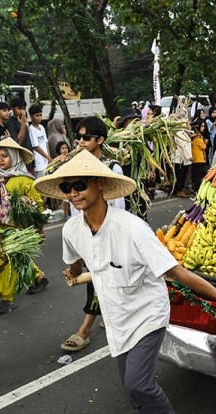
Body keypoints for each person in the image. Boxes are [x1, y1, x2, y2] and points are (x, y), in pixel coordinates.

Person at [33, 150, 216, 414]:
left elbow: (177, 272)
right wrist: (76, 270)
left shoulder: (132, 229)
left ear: (100, 186)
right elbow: (77, 255)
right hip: (116, 316)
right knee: (131, 389)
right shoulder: (71, 229)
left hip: (147, 314)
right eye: (67, 188)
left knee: (138, 383)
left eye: (79, 184)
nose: (73, 193)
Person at [59, 116, 126, 352]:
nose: (81, 141)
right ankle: (110, 314)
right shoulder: (74, 166)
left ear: (100, 139)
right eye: (78, 137)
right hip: (85, 232)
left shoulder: (111, 168)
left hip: (108, 233)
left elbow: (118, 208)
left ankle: (84, 330)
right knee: (102, 279)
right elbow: (73, 201)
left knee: (101, 278)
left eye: (87, 137)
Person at [0, 138, 48, 314]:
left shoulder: (25, 181)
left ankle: (6, 298)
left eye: (5, 156)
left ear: (15, 158)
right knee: (17, 258)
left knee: (9, 261)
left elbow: (38, 206)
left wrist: (39, 229)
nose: (0, 159)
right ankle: (38, 276)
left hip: (18, 231)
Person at [28, 104, 51, 178]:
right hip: (38, 161)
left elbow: (46, 142)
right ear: (31, 116)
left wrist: (48, 156)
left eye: (40, 115)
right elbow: (36, 146)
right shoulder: (31, 129)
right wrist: (48, 157)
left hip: (46, 160)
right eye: (36, 116)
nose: (39, 118)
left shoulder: (42, 127)